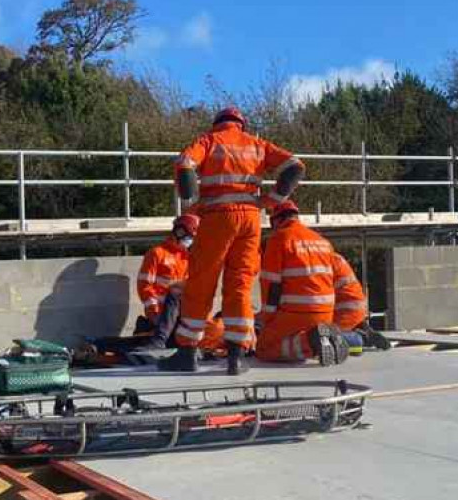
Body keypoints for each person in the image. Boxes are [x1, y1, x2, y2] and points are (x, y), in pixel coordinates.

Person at [160, 107, 306, 375]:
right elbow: (295, 166)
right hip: (250, 220)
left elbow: (184, 164)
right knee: (240, 284)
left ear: (217, 124)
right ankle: (236, 358)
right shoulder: (257, 145)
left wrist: (190, 200)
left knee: (201, 281)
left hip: (217, 218)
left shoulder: (208, 140)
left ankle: (187, 352)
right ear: (241, 124)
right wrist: (273, 201)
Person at [255, 202, 350, 365]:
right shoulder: (322, 241)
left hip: (297, 312)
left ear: (276, 221)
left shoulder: (279, 239)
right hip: (326, 313)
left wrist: (267, 318)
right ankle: (321, 339)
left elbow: (271, 284)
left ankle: (311, 341)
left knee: (264, 348)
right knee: (291, 340)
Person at [136, 214, 199, 349]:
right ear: (179, 232)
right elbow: (144, 286)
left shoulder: (188, 258)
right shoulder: (157, 253)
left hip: (180, 314)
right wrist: (153, 311)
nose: (190, 241)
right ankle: (158, 340)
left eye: (192, 238)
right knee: (176, 293)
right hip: (160, 312)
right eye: (189, 237)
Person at [330, 252, 391, 352]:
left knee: (325, 337)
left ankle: (359, 339)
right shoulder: (333, 258)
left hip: (344, 310)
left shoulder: (320, 263)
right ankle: (364, 330)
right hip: (355, 307)